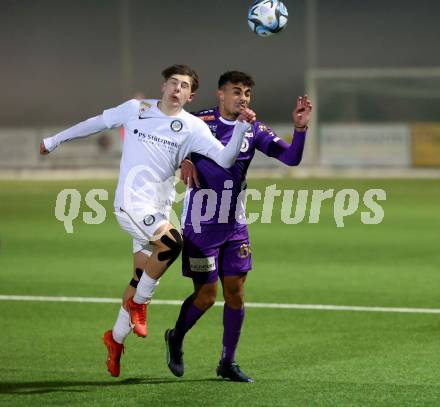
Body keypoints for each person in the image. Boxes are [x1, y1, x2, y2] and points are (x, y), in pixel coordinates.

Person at [40, 64, 256, 377]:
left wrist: (239, 129)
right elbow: (96, 123)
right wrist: (54, 140)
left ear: (190, 95)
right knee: (171, 243)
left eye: (183, 86)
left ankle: (114, 339)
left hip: (158, 209)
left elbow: (224, 158)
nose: (176, 89)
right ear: (163, 86)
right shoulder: (135, 110)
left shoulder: (194, 127)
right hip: (130, 204)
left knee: (139, 277)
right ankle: (140, 305)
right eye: (173, 82)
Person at [164, 71, 312, 382]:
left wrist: (300, 128)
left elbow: (292, 158)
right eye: (236, 91)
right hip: (201, 224)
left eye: (246, 92)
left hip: (235, 225)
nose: (242, 97)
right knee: (206, 297)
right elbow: (168, 141)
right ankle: (175, 337)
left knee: (236, 294)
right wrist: (183, 160)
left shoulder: (253, 129)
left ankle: (226, 362)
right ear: (220, 94)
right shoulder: (199, 121)